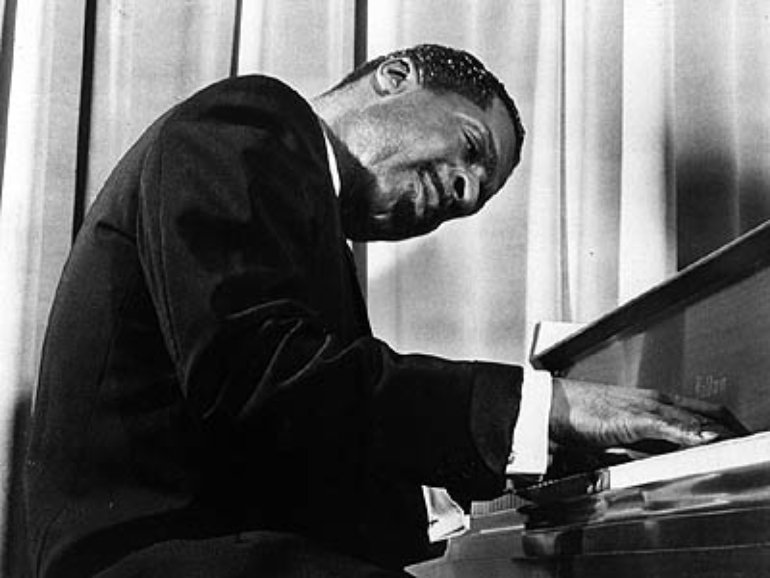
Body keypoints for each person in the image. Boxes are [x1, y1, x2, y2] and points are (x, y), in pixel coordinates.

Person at [24, 44, 733, 578]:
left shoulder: (301, 206)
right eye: (470, 149)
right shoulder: (246, 123)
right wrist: (544, 409)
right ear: (395, 77)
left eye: (475, 195)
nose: (463, 192)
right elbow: (259, 380)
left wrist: (505, 478)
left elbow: (305, 432)